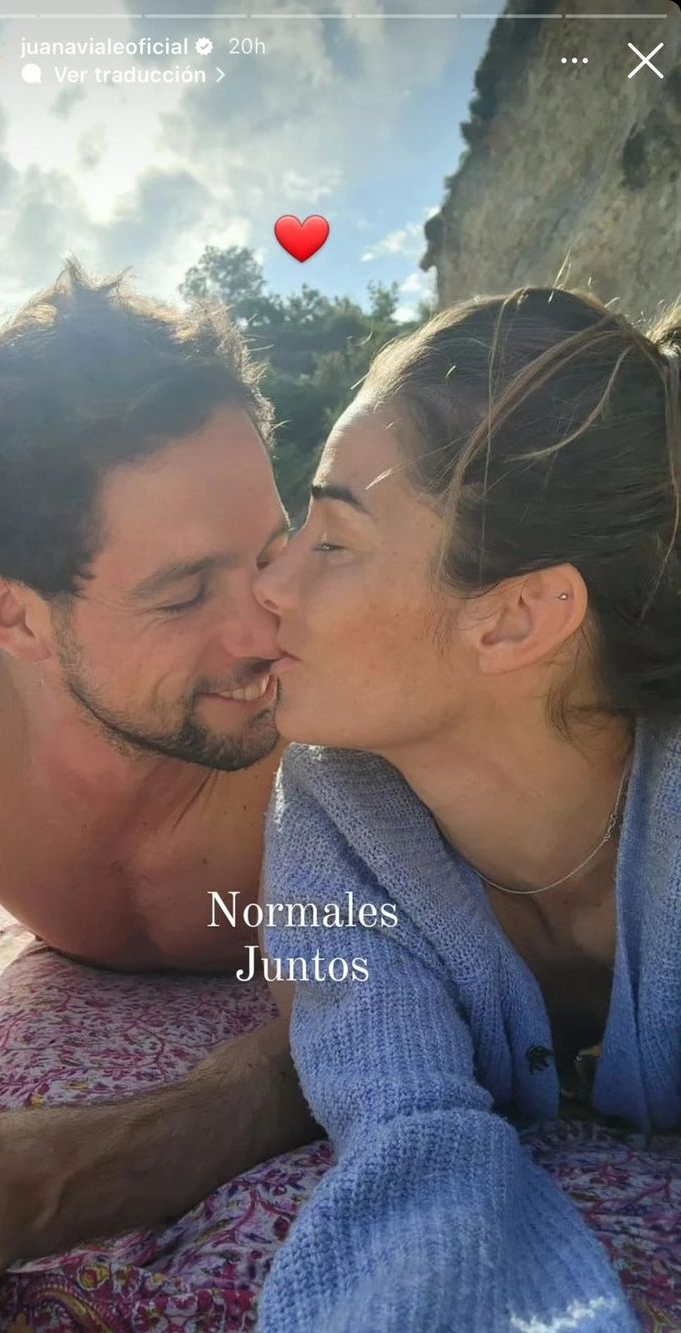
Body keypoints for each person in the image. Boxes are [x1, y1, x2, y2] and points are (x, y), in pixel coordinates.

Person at [250, 286, 681, 1331]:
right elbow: (400, 1119)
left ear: (516, 617)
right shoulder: (329, 803)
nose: (269, 582)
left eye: (332, 540)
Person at [0, 262, 312, 1329]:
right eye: (184, 593)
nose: (268, 629)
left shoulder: (325, 719)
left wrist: (12, 1184)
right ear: (13, 614)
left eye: (272, 553)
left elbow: (357, 1022)